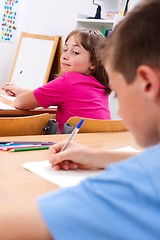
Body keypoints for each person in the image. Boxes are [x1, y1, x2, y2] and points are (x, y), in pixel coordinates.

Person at [1, 0, 160, 239]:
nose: (121, 112)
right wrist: (96, 156)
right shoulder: (96, 83)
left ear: (148, 84)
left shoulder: (133, 187)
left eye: (117, 90)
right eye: (66, 49)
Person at [2, 29, 111, 132]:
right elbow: (47, 94)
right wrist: (20, 91)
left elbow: (20, 103)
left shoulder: (68, 81)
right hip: (99, 145)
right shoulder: (99, 86)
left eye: (75, 52)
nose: (65, 56)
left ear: (93, 62)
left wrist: (19, 97)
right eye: (65, 49)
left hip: (72, 147)